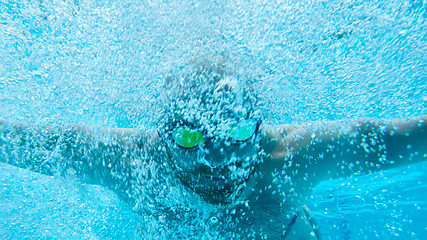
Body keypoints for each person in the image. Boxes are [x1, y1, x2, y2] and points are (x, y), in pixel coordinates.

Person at [0, 56, 426, 239]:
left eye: (239, 135)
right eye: (190, 138)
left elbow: (406, 138)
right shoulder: (130, 162)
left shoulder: (291, 157)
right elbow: (22, 142)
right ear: (164, 134)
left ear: (258, 125)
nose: (219, 161)